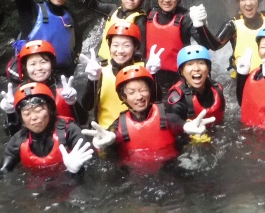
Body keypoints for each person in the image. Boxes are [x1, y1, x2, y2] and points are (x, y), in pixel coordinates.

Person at [81, 65, 213, 170]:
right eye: (131, 92)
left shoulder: (167, 117)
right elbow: (112, 137)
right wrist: (106, 144)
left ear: (150, 92)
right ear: (123, 97)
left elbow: (179, 124)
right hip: (134, 174)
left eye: (143, 90)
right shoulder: (119, 126)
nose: (139, 97)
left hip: (171, 168)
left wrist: (187, 127)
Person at [0, 82, 93, 179]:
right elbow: (2, 175)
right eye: (26, 114)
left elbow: (90, 170)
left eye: (38, 110)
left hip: (70, 186)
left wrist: (75, 171)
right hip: (37, 190)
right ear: (21, 118)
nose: (34, 118)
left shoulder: (70, 131)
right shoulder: (17, 141)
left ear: (50, 110)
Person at [5, 0, 81, 76]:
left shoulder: (70, 16)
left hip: (62, 77)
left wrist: (71, 69)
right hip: (35, 77)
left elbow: (77, 45)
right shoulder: (32, 12)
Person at [0, 39, 82, 136]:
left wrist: (73, 102)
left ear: (52, 64)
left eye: (43, 62)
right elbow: (11, 134)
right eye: (32, 64)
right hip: (35, 145)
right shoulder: (19, 92)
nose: (38, 68)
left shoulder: (64, 86)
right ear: (26, 67)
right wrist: (10, 113)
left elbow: (82, 121)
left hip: (65, 139)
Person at [144, 0, 211, 94]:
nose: (167, 0)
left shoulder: (186, 17)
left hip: (178, 77)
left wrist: (201, 25)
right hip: (152, 74)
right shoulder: (150, 14)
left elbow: (205, 45)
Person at [79, 21, 144, 128]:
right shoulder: (99, 69)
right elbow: (87, 106)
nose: (120, 50)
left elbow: (156, 101)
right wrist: (92, 80)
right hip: (106, 131)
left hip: (137, 129)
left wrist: (154, 75)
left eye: (126, 45)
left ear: (135, 47)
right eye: (115, 45)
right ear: (109, 47)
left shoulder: (144, 67)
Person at [83, 0, 149, 62]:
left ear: (141, 0)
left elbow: (140, 50)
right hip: (104, 61)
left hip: (124, 63)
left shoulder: (140, 19)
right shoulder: (113, 9)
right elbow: (89, 5)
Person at [164, 45, 226, 137]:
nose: (196, 68)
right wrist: (184, 126)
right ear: (181, 71)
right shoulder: (177, 99)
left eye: (201, 63)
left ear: (208, 68)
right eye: (190, 64)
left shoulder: (217, 89)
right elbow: (170, 120)